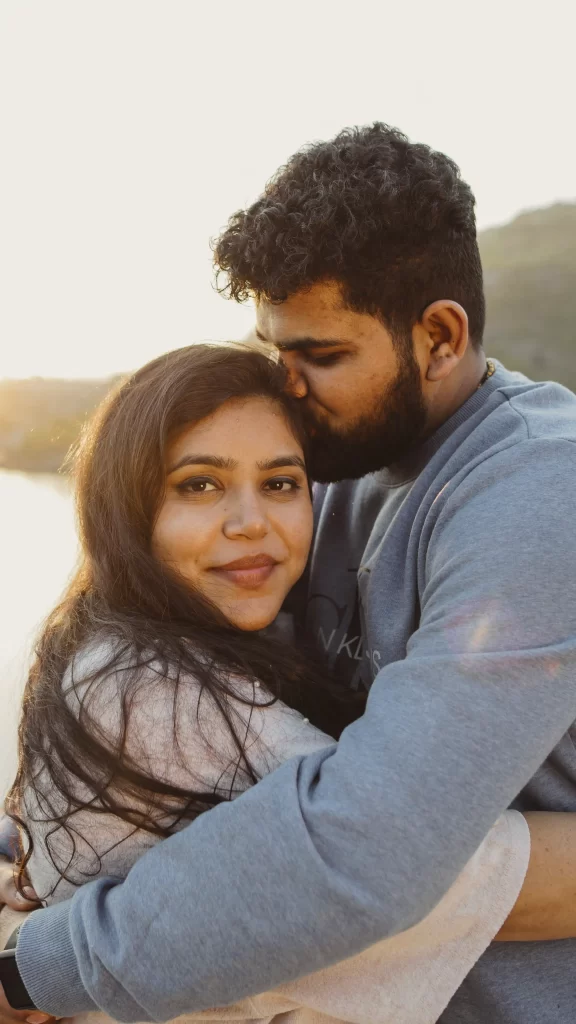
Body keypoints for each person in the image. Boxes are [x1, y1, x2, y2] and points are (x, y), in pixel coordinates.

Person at [1, 122, 576, 1024]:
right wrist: (35, 832)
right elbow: (202, 727)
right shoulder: (328, 480)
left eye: (322, 356)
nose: (289, 388)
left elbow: (373, 843)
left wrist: (37, 970)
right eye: (278, 351)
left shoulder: (540, 490)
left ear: (437, 336)